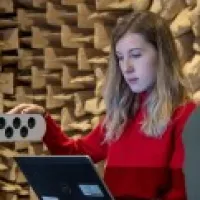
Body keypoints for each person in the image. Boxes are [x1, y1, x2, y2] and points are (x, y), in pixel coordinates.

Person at [7, 11, 197, 200]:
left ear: (162, 56)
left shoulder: (185, 116)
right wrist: (44, 122)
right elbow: (77, 155)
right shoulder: (121, 115)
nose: (127, 67)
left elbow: (181, 194)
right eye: (120, 58)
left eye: (136, 55)